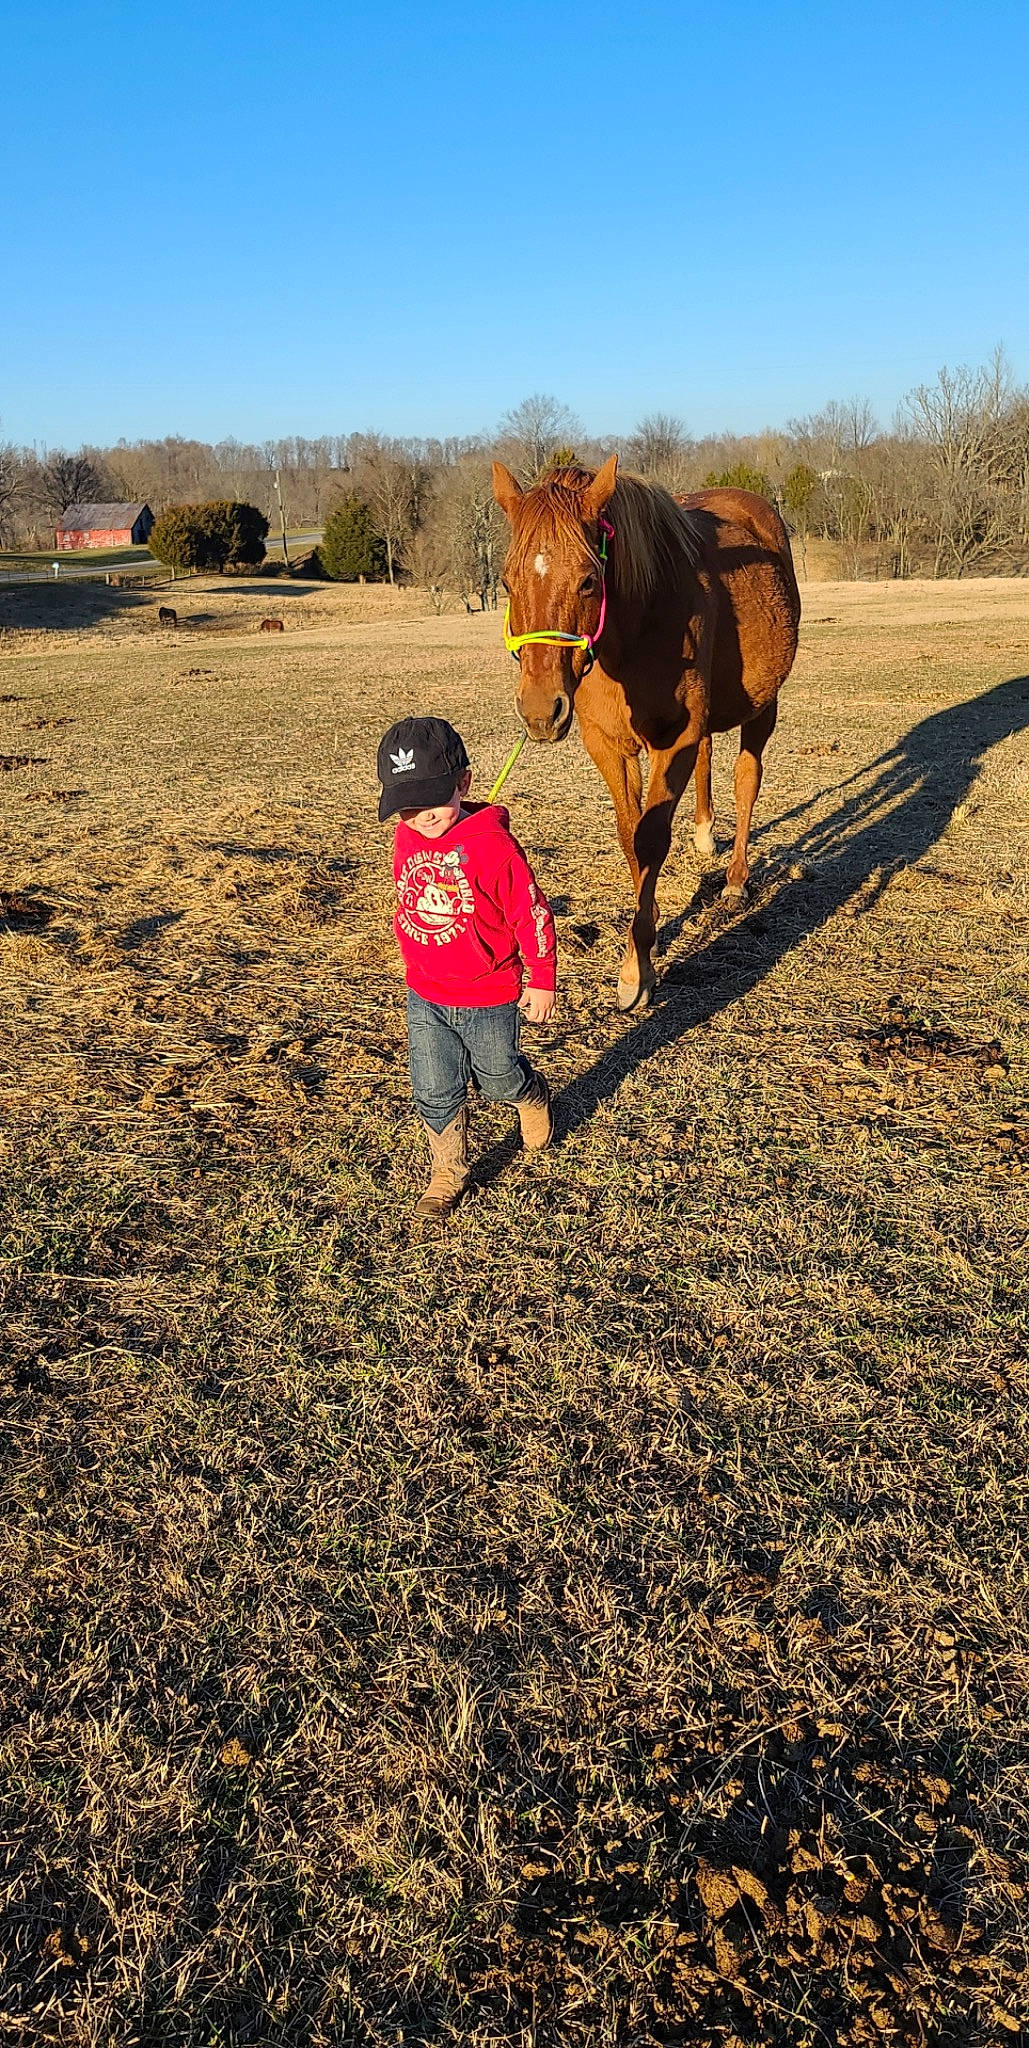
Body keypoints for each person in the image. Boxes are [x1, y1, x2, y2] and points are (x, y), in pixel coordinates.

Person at [377, 714, 556, 1218]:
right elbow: (409, 896)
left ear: (464, 783)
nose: (420, 816)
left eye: (432, 799)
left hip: (488, 993)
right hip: (426, 991)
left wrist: (541, 979)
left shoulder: (494, 848)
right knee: (433, 1086)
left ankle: (531, 1093)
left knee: (497, 1077)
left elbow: (533, 913)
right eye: (405, 807)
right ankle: (447, 1173)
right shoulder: (407, 838)